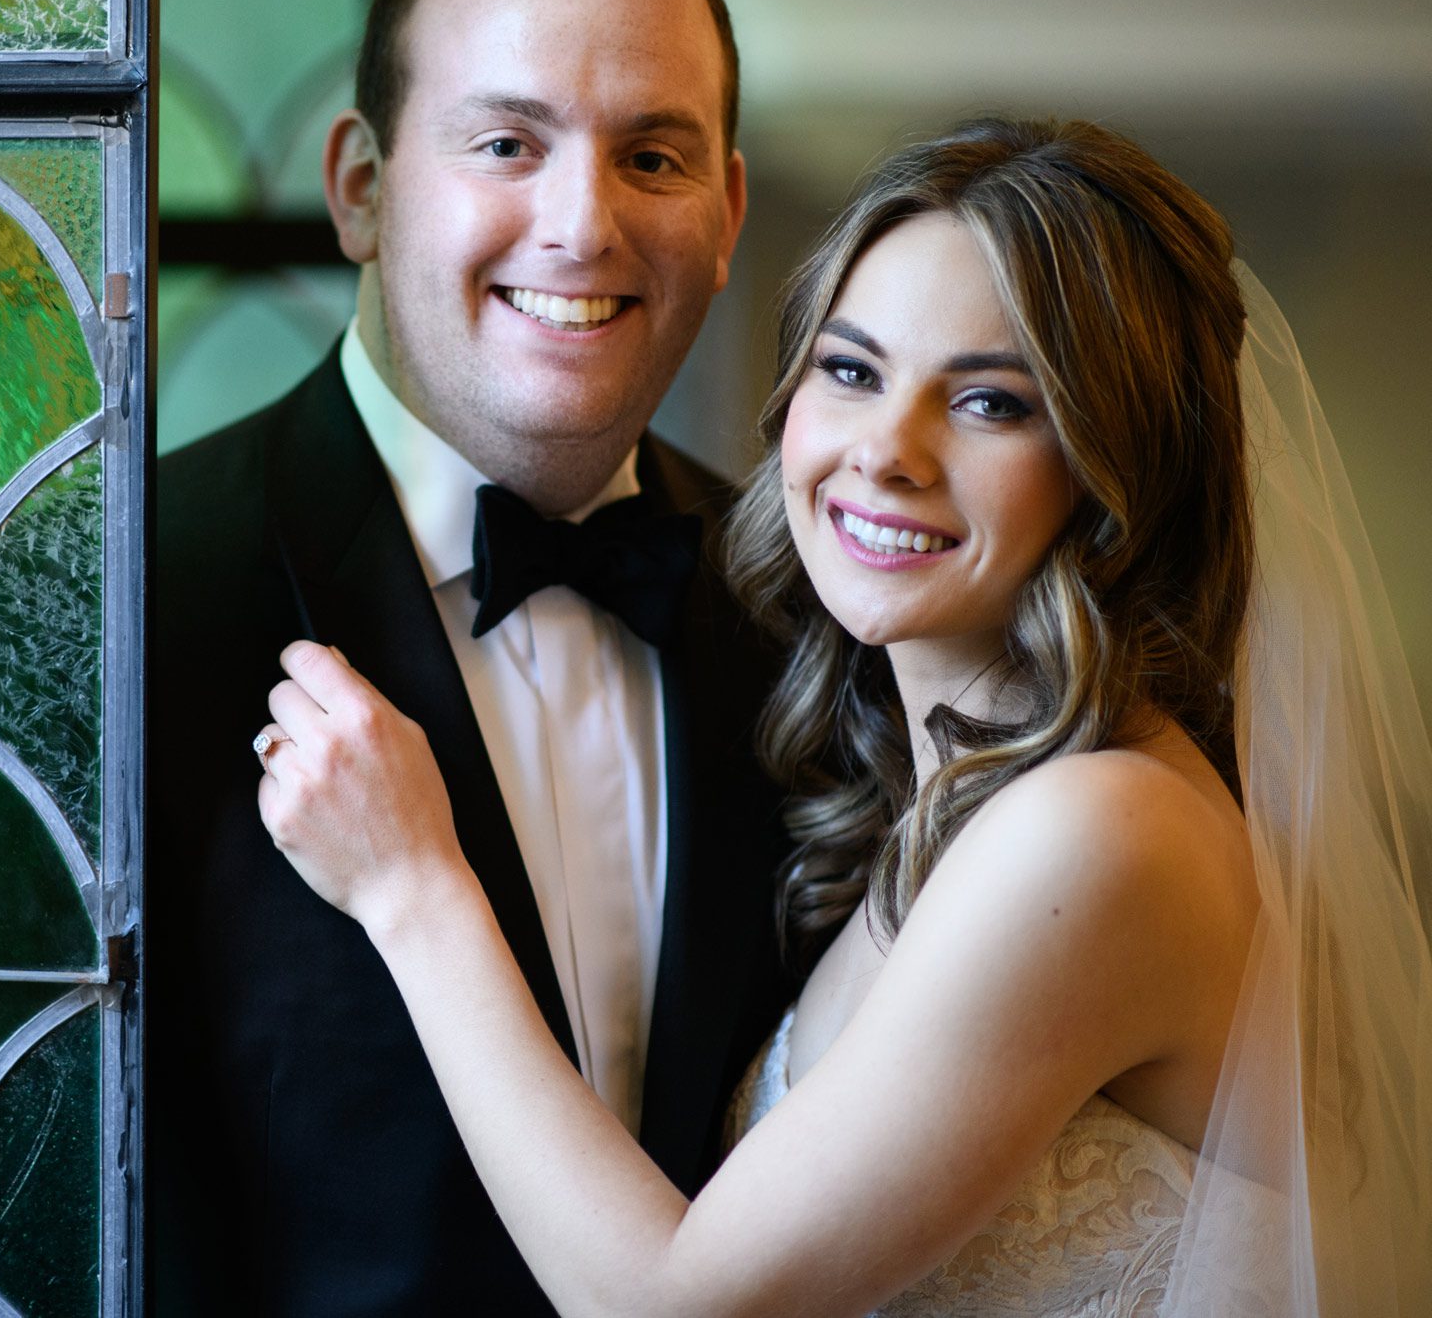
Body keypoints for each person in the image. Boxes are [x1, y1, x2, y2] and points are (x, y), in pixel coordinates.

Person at [254, 117, 1432, 1315]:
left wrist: (412, 889)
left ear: (1112, 473)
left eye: (989, 404)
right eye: (852, 371)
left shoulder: (1102, 830)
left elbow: (674, 1307)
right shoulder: (944, 797)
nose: (886, 453)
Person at [151, 0, 797, 1315]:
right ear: (362, 187)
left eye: (654, 154)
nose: (583, 223)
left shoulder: (814, 610)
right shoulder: (114, 598)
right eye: (507, 143)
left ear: (729, 210)